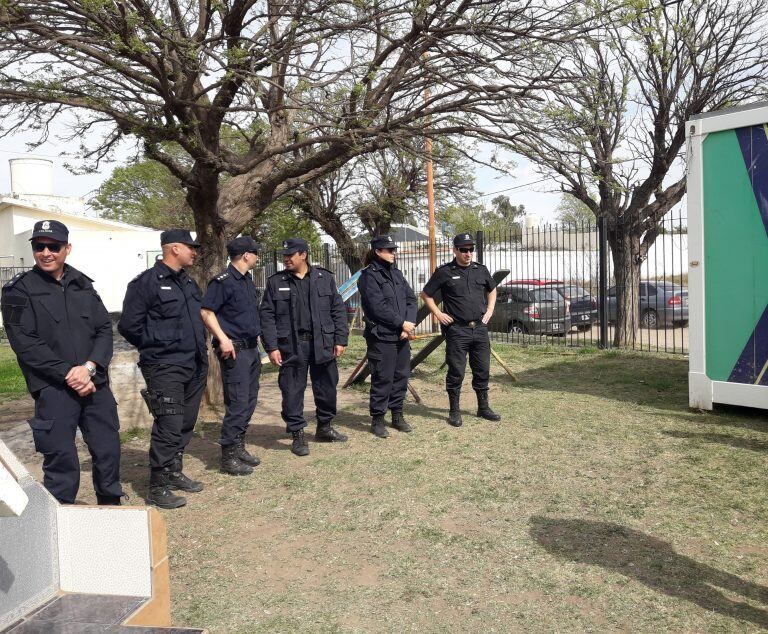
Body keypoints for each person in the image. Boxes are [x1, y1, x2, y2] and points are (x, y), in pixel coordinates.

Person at [1, 220, 125, 505]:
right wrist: (70, 374)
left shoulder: (82, 284)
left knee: (108, 452)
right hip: (54, 388)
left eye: (53, 246)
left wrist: (89, 368)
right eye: (39, 246)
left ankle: (112, 514)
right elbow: (24, 342)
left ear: (67, 249)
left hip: (94, 383)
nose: (46, 252)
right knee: (61, 461)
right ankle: (61, 520)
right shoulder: (17, 291)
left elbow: (104, 329)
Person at [118, 229, 208, 509]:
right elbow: (128, 326)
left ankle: (173, 471)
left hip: (193, 364)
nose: (194, 252)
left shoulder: (189, 283)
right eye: (190, 247)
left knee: (185, 422)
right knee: (168, 424)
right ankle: (158, 486)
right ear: (174, 248)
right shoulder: (146, 283)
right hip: (164, 366)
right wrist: (158, 347)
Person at [259, 238, 349, 456]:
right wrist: (271, 347)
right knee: (292, 390)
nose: (286, 259)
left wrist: (340, 339)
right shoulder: (276, 282)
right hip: (291, 345)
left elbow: (337, 310)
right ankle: (297, 433)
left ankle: (325, 427)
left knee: (327, 387)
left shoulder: (324, 278)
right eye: (284, 255)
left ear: (303, 255)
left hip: (323, 343)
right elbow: (266, 316)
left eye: (290, 255)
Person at [421, 233, 501, 427]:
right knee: (456, 371)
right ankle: (454, 411)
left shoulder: (480, 270)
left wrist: (490, 309)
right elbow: (426, 294)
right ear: (455, 250)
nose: (468, 253)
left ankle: (483, 408)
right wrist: (438, 314)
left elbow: (492, 289)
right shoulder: (444, 272)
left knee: (482, 370)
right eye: (464, 250)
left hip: (479, 329)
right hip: (457, 330)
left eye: (471, 249)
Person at [200, 236, 262, 476]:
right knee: (237, 403)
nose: (257, 257)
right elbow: (206, 312)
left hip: (250, 349)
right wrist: (223, 339)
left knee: (249, 400)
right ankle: (228, 457)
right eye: (255, 253)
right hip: (234, 350)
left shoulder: (247, 280)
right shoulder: (223, 282)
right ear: (247, 255)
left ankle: (239, 446)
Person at [357, 235, 418, 437]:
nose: (393, 253)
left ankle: (397, 415)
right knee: (383, 378)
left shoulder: (397, 274)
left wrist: (406, 327)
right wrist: (401, 323)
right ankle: (377, 419)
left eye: (394, 250)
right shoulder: (368, 276)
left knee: (401, 376)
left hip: (401, 335)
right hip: (381, 336)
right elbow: (377, 307)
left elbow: (411, 299)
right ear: (377, 251)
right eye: (389, 250)